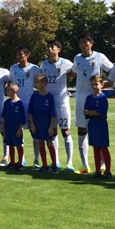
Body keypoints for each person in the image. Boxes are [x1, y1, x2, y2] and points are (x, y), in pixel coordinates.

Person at [70, 32, 113, 174]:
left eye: (86, 42)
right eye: (81, 42)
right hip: (80, 99)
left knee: (97, 132)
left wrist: (105, 84)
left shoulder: (100, 57)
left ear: (91, 43)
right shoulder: (77, 58)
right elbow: (75, 72)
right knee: (81, 130)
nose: (83, 45)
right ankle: (85, 165)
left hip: (95, 99)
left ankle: (101, 165)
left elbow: (113, 70)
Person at [39, 40, 75, 171]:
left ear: (58, 49)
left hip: (62, 101)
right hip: (48, 102)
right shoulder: (43, 65)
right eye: (48, 46)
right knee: (52, 132)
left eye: (52, 47)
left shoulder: (66, 63)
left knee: (65, 131)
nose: (49, 49)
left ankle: (69, 162)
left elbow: (75, 72)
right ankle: (56, 161)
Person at [9, 46, 43, 169]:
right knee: (18, 132)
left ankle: (36, 159)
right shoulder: (13, 68)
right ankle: (21, 159)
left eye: (21, 54)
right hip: (17, 105)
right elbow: (12, 84)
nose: (19, 56)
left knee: (34, 133)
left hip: (31, 104)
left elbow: (41, 82)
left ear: (27, 55)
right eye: (17, 54)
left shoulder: (34, 68)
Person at [28, 74, 58, 173]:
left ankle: (54, 165)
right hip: (37, 122)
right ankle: (44, 165)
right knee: (40, 142)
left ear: (44, 83)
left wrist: (51, 127)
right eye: (35, 82)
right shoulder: (34, 96)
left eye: (37, 82)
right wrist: (32, 124)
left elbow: (52, 113)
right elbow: (30, 112)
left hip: (46, 122)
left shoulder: (49, 97)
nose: (35, 84)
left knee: (49, 142)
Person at [84, 75, 112, 179]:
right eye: (92, 84)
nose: (94, 86)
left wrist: (91, 112)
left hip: (101, 124)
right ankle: (97, 170)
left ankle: (108, 171)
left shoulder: (103, 97)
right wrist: (92, 112)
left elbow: (101, 113)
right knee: (95, 148)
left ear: (102, 85)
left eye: (96, 84)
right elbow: (85, 112)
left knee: (103, 148)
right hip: (92, 124)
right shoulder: (89, 98)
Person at [1, 82, 26, 170]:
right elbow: (4, 115)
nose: (6, 92)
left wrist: (20, 129)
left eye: (8, 90)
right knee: (10, 144)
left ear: (14, 91)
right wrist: (3, 126)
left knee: (18, 144)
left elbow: (22, 118)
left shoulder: (19, 103)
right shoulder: (7, 102)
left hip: (16, 126)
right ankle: (12, 162)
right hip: (8, 126)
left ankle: (20, 163)